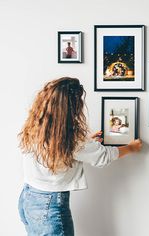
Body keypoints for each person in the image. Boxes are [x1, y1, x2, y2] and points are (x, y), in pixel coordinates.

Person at [17, 77, 142, 235]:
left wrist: (87, 142)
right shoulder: (70, 138)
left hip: (28, 198)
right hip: (49, 208)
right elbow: (103, 156)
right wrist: (131, 148)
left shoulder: (37, 125)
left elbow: (57, 151)